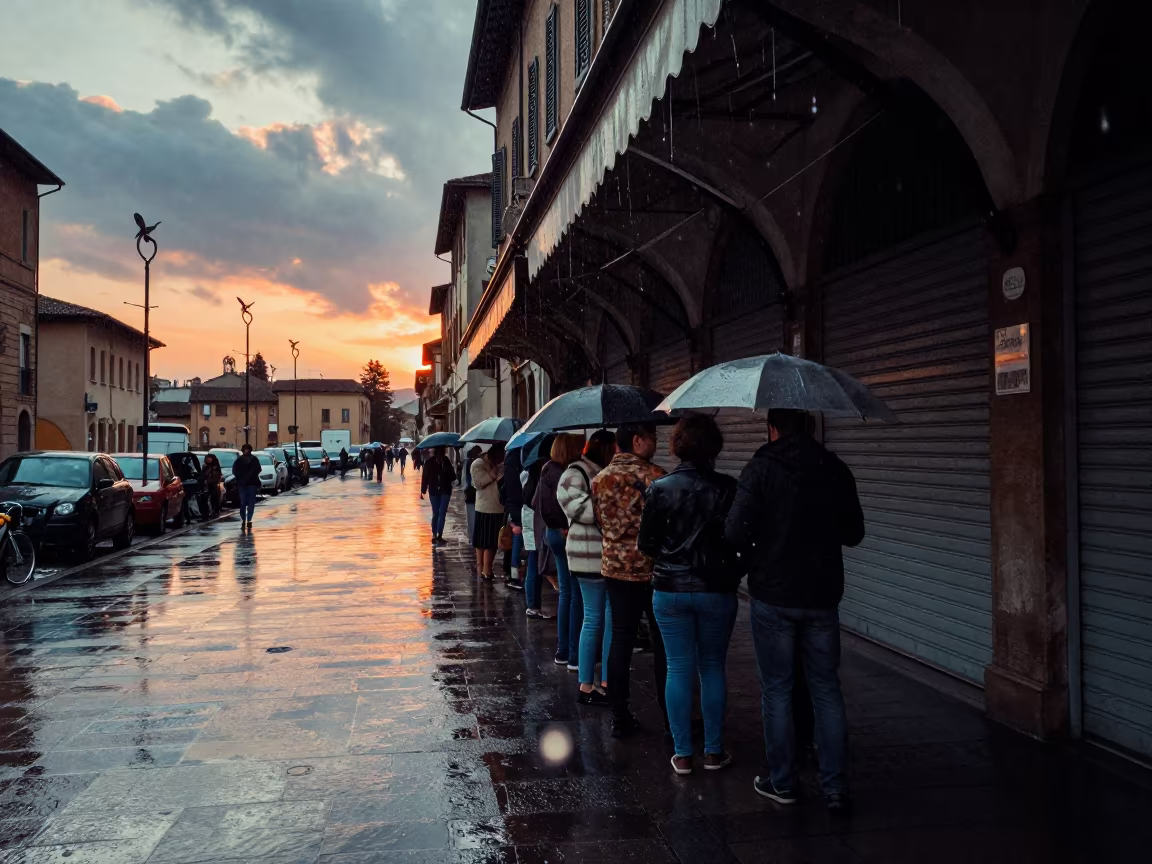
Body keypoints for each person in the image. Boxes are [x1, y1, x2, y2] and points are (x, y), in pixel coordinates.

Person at [725, 409, 864, 811]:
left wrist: (760, 547)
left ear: (771, 428)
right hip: (822, 595)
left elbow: (735, 530)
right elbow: (854, 532)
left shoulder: (760, 468)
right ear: (809, 426)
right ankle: (836, 786)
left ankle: (782, 781)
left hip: (773, 594)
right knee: (826, 689)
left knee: (777, 689)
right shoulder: (835, 467)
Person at [639, 415, 741, 774]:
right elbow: (738, 539)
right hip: (716, 588)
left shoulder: (660, 488)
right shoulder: (729, 488)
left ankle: (683, 753)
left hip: (670, 589)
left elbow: (646, 542)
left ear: (677, 444)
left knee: (678, 667)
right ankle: (713, 750)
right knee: (712, 667)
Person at [592, 422, 667, 738]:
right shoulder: (656, 477)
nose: (656, 443)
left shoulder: (599, 479)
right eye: (653, 438)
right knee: (662, 642)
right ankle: (670, 714)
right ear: (637, 441)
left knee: (620, 639)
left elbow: (598, 522)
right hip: (652, 568)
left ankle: (620, 715)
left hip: (615, 568)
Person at [558, 430, 616, 705]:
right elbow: (584, 512)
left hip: (606, 556)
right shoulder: (575, 474)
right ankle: (586, 684)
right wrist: (607, 496)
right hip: (587, 556)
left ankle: (605, 680)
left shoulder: (602, 472)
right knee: (594, 618)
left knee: (608, 618)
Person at [535, 434, 584, 668]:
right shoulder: (563, 474)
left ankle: (563, 650)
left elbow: (538, 503)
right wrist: (564, 525)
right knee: (574, 593)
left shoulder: (546, 469)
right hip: (564, 533)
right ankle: (573, 653)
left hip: (552, 534)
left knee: (566, 592)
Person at [520, 449, 551, 620]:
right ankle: (532, 605)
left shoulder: (529, 483)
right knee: (534, 565)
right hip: (534, 526)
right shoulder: (537, 487)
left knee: (533, 564)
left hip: (529, 524)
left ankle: (533, 604)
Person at [470, 443, 505, 581]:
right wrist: (495, 473)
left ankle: (486, 569)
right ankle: (483, 568)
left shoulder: (497, 464)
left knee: (490, 541)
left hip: (496, 507)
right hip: (485, 507)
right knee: (484, 541)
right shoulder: (478, 464)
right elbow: (478, 483)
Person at [421, 446, 456, 544]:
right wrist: (423, 489)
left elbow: (453, 475)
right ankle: (434, 535)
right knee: (436, 513)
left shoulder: (446, 461)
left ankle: (439, 535)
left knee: (442, 513)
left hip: (445, 490)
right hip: (434, 490)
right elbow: (425, 476)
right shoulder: (429, 462)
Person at [503, 444, 525, 591]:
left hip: (513, 507)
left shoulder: (509, 469)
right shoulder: (517, 471)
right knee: (517, 542)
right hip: (518, 508)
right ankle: (515, 575)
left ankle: (512, 573)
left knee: (514, 543)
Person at [232, 443, 262, 531]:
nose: (246, 451)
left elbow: (258, 469)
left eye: (247, 449)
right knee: (242, 502)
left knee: (251, 503)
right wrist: (240, 478)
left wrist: (251, 475)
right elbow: (234, 470)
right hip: (242, 484)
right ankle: (244, 519)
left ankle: (249, 520)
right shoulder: (239, 460)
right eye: (245, 449)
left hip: (251, 484)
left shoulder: (254, 459)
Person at [463, 445, 480, 542]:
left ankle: (472, 537)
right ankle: (472, 537)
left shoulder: (468, 462)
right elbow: (469, 481)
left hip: (471, 494)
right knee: (472, 517)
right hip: (471, 494)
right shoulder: (471, 463)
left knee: (471, 517)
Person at [200, 453, 223, 520]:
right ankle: (208, 512)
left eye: (210, 458)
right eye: (207, 458)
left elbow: (218, 475)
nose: (208, 459)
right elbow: (202, 475)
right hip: (207, 484)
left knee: (215, 497)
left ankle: (215, 510)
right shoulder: (205, 466)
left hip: (214, 483)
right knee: (206, 498)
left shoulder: (216, 466)